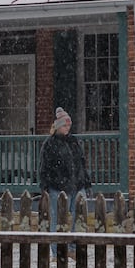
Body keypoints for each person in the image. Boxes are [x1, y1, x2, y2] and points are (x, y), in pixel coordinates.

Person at [37, 106, 90, 250]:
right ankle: (56, 251)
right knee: (57, 220)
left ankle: (73, 247)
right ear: (59, 126)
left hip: (77, 185)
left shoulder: (74, 142)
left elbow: (81, 163)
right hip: (58, 187)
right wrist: (46, 186)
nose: (67, 128)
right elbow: (44, 167)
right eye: (65, 125)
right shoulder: (50, 144)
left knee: (78, 217)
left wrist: (85, 182)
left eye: (69, 125)